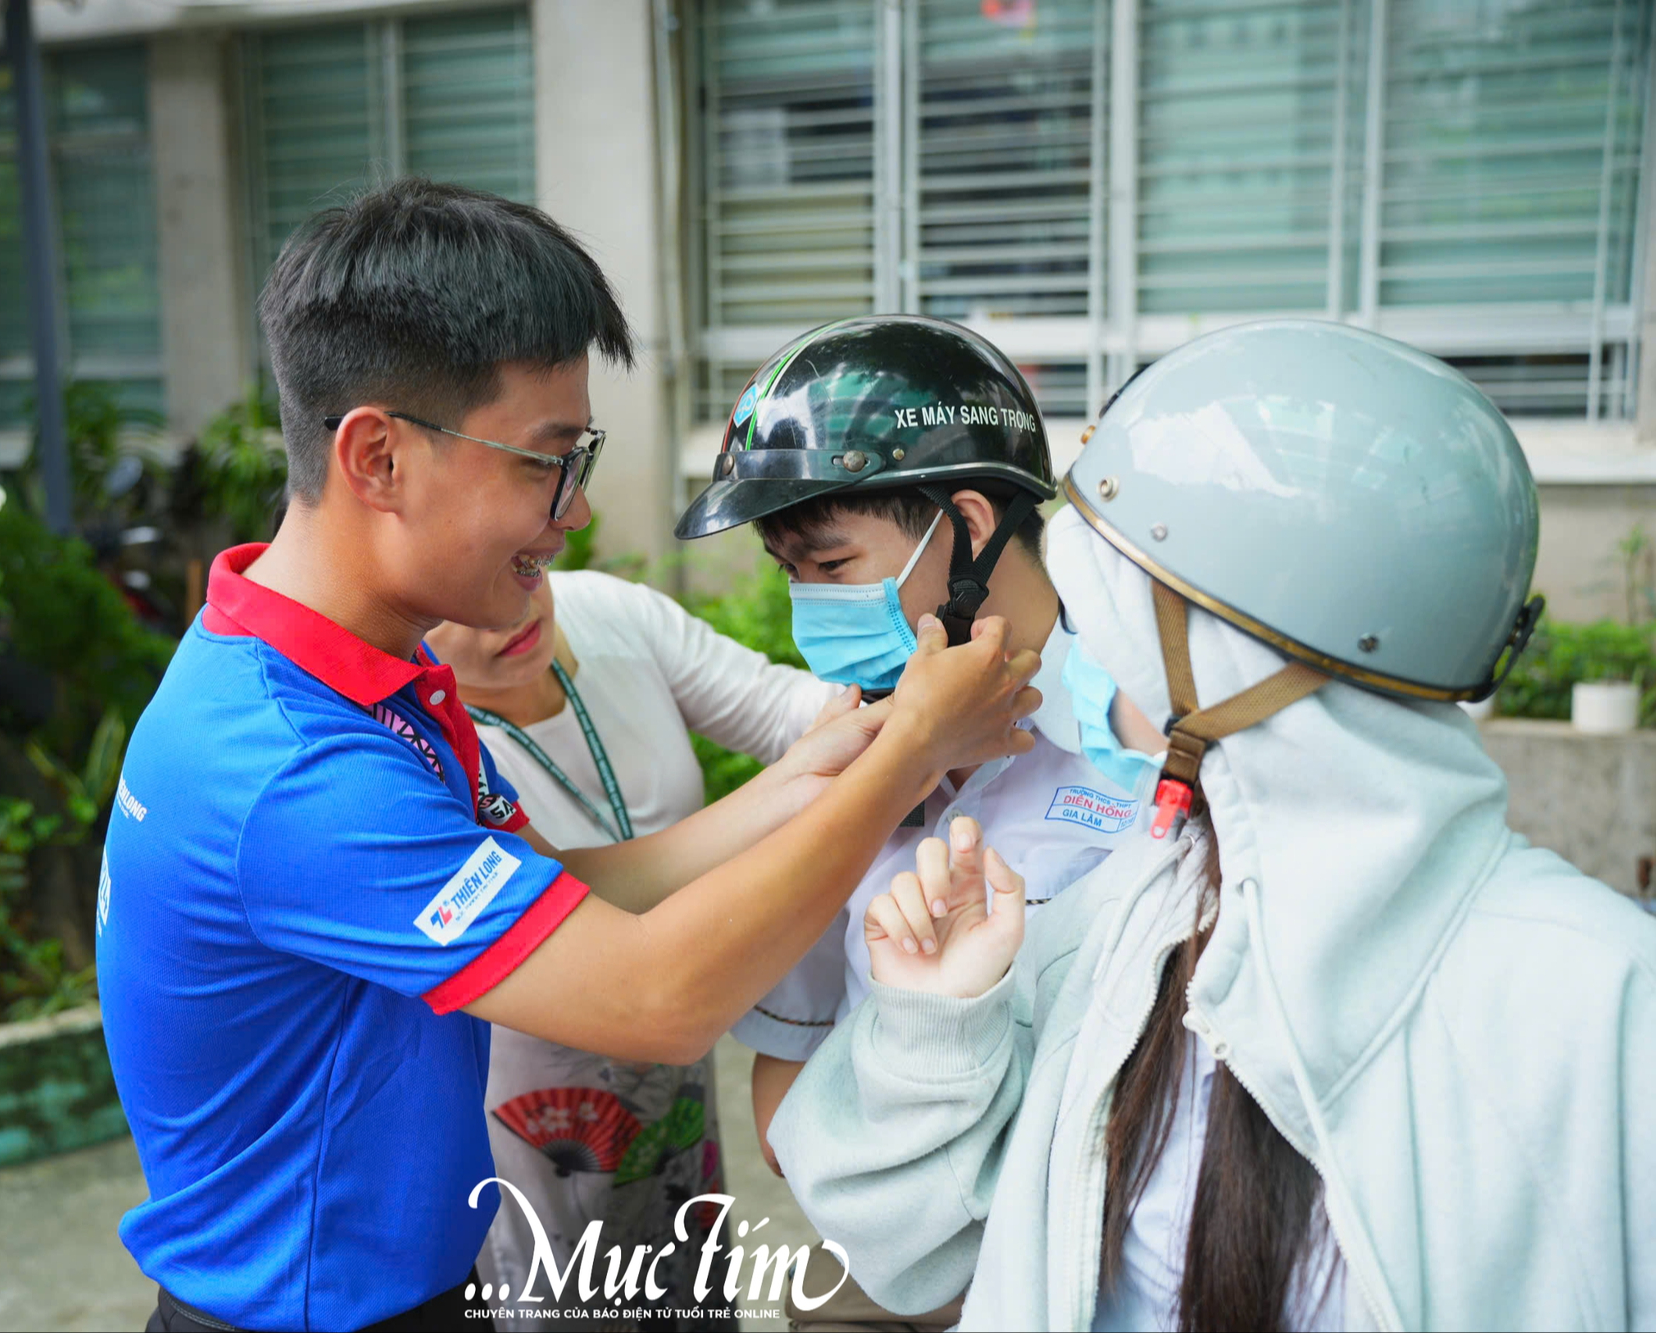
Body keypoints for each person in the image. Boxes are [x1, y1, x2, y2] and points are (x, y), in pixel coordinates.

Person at [96, 180, 1041, 1333]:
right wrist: (909, 758)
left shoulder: (353, 672)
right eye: (544, 460)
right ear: (379, 457)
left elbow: (564, 885)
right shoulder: (293, 767)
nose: (576, 512)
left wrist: (821, 768)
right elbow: (656, 999)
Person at [769, 320, 1656, 1331]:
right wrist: (936, 1028)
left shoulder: (1608, 997)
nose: (1089, 653)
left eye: (1118, 609)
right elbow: (904, 1244)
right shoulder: (1125, 922)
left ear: (1241, 652)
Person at [675, 315, 1165, 1331]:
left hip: (1093, 1270)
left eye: (832, 563)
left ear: (970, 525)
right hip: (878, 1273)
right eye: (789, 572)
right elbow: (783, 1089)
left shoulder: (1141, 732)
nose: (810, 604)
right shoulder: (846, 750)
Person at [424, 563, 841, 1327]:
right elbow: (558, 904)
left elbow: (785, 709)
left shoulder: (605, 612)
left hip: (675, 1057)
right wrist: (809, 784)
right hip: (531, 1097)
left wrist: (895, 703)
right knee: (556, 1294)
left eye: (521, 566)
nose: (507, 612)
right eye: (456, 602)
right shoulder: (419, 747)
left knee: (687, 1273)